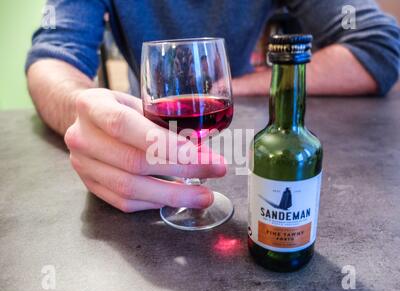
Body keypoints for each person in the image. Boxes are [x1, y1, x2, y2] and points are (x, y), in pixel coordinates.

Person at [26, 0, 400, 213]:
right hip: (142, 129)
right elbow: (52, 56)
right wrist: (85, 108)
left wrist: (229, 89)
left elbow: (379, 46)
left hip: (235, 126)